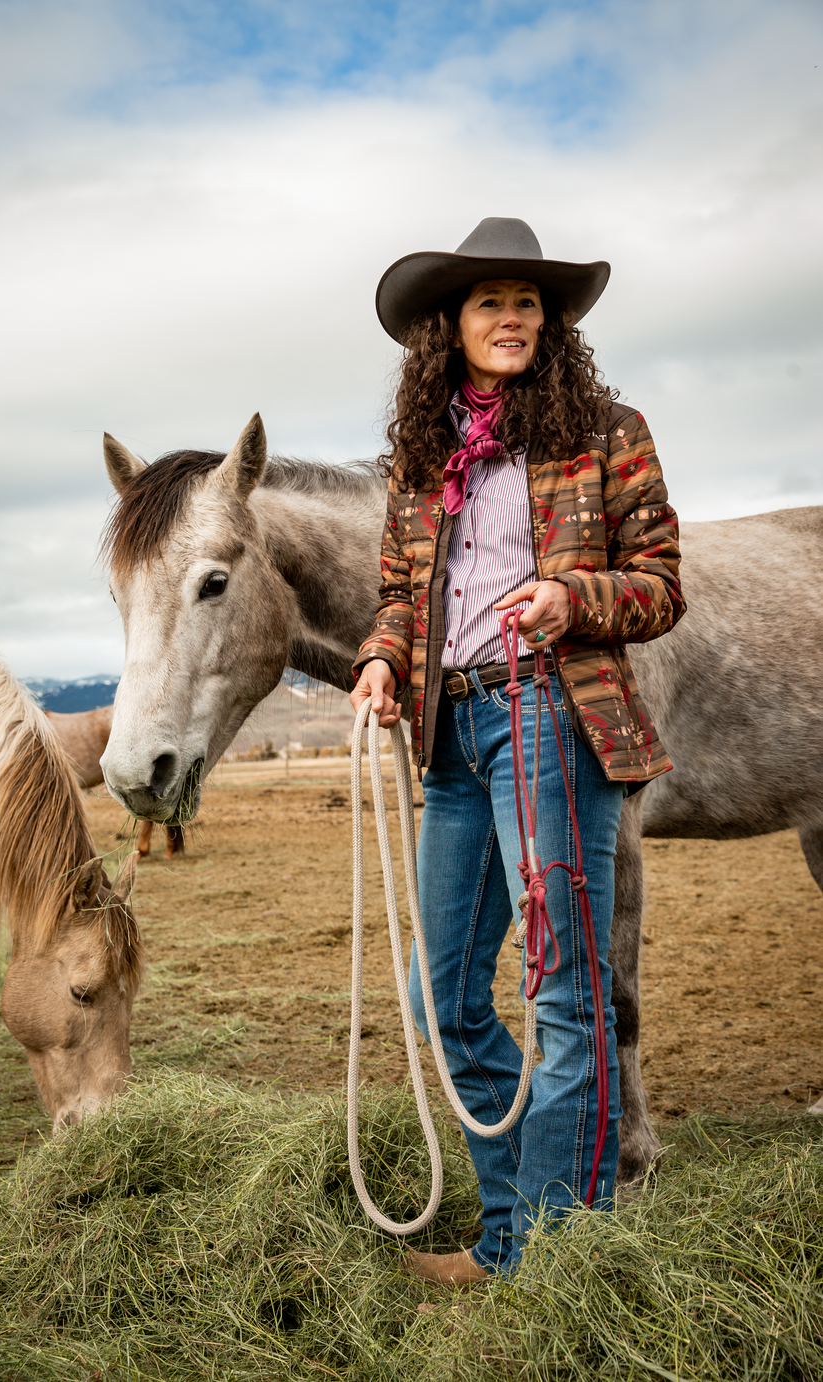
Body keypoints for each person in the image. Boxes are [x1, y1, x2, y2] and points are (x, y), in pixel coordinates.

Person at [350, 217, 685, 1285]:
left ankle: (545, 1255)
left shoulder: (606, 432)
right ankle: (510, 1234)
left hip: (552, 712)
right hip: (450, 733)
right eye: (489, 300)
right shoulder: (424, 456)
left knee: (560, 993)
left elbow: (660, 585)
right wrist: (377, 659)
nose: (509, 317)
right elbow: (405, 595)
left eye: (526, 301)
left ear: (549, 323)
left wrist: (569, 594)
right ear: (451, 324)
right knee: (438, 996)